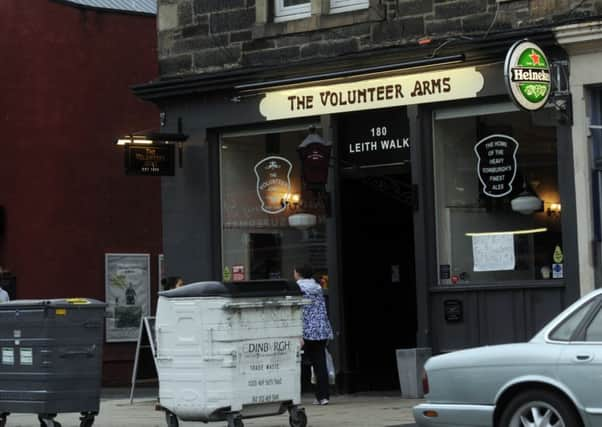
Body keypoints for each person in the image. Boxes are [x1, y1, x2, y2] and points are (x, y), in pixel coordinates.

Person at [295, 264, 333, 406]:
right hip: (321, 329)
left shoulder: (297, 287)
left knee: (297, 363)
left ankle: (294, 395)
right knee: (320, 363)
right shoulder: (318, 287)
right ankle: (323, 396)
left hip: (305, 331)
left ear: (298, 273)